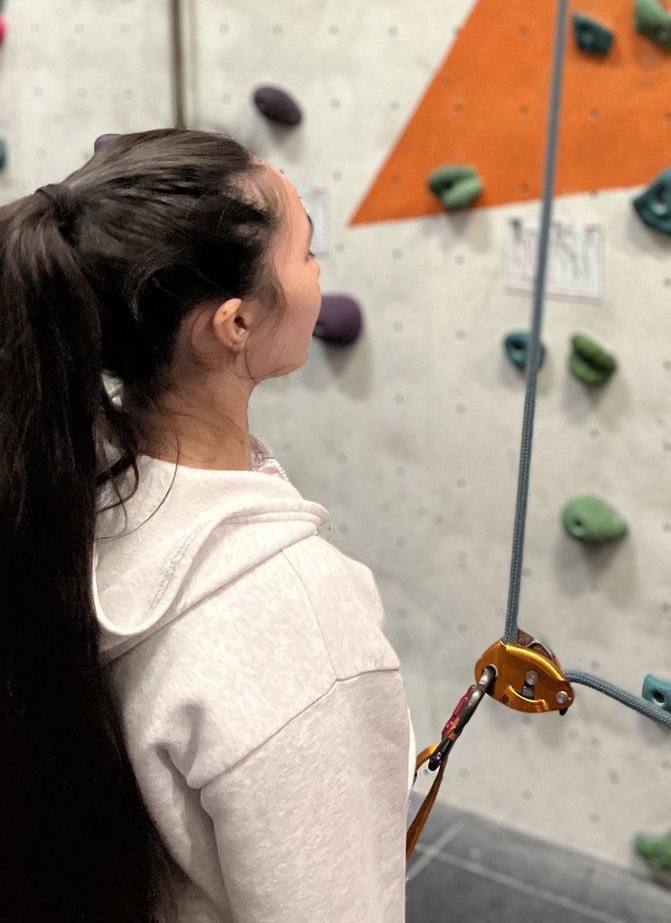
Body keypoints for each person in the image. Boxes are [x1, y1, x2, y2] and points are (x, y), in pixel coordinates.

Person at [0, 130, 412, 921]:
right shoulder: (298, 615)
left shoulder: (55, 497)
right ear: (233, 324)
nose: (319, 273)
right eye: (307, 253)